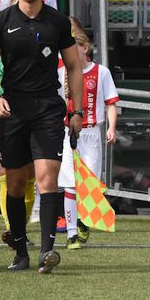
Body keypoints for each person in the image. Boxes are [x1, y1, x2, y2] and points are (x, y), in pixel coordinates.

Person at [0, 0, 83, 274]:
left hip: (47, 109)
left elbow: (75, 66)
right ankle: (21, 251)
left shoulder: (57, 22)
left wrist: (76, 109)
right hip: (12, 109)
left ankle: (47, 252)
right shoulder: (0, 22)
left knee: (47, 179)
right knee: (14, 183)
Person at [57, 28, 119, 249]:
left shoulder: (101, 72)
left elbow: (111, 103)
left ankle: (84, 220)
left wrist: (111, 127)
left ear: (85, 48)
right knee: (70, 185)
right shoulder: (61, 73)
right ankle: (72, 232)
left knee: (90, 183)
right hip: (67, 133)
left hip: (92, 133)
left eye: (76, 47)